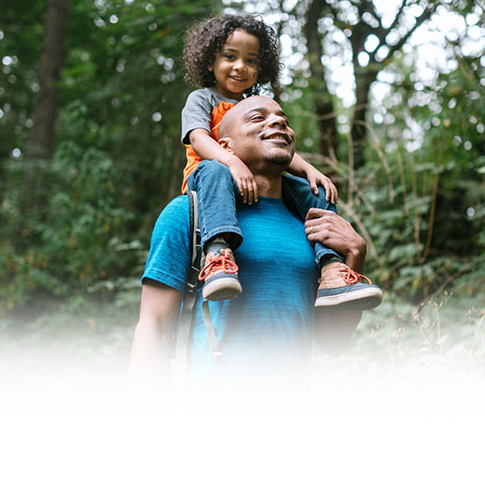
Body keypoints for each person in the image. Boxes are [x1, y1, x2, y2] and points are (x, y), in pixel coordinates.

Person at [131, 96, 378, 401]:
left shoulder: (316, 225)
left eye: (283, 119)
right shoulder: (188, 214)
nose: (278, 122)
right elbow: (153, 326)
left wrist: (355, 255)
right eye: (257, 118)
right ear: (226, 147)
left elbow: (333, 342)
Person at [180, 13, 382, 309]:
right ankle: (219, 254)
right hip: (212, 182)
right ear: (210, 61)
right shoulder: (202, 99)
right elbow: (198, 139)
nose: (240, 67)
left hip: (257, 182)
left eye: (251, 61)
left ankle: (332, 269)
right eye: (230, 57)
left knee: (316, 191)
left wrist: (310, 170)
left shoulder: (256, 103)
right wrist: (231, 162)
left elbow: (277, 148)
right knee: (213, 169)